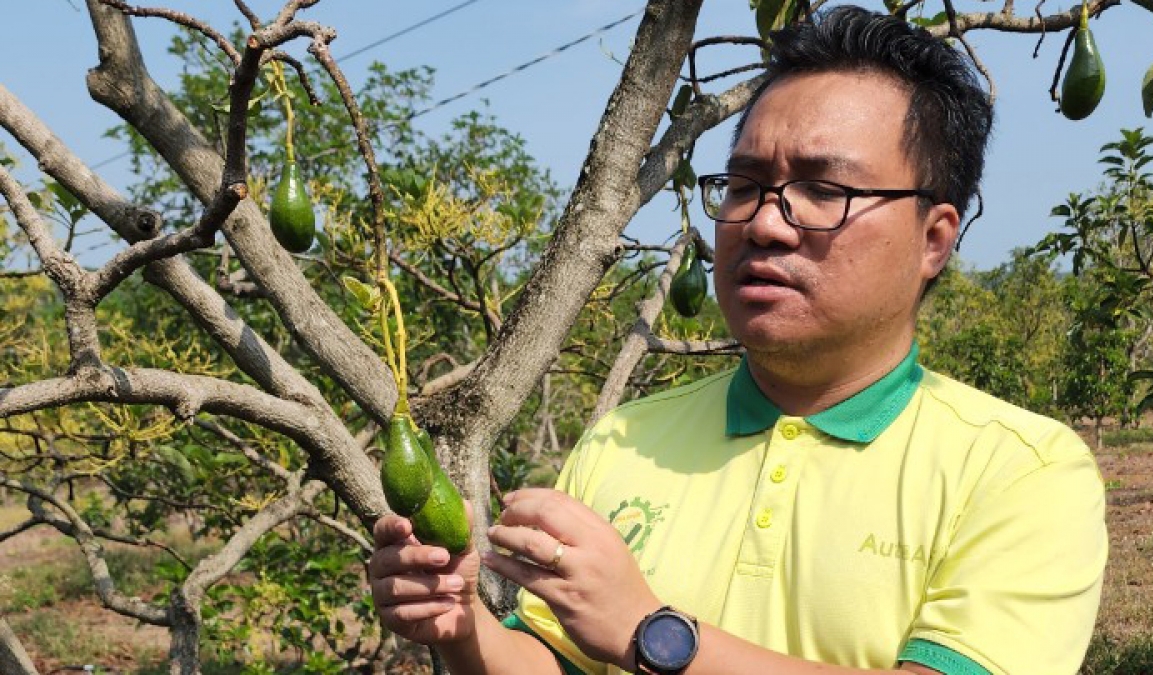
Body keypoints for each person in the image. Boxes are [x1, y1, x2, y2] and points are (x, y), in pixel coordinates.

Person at [368, 6, 1108, 675]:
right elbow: (555, 661)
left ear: (934, 239)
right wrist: (464, 629)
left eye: (825, 189)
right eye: (746, 184)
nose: (764, 222)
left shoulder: (1022, 470)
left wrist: (650, 631)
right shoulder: (624, 441)